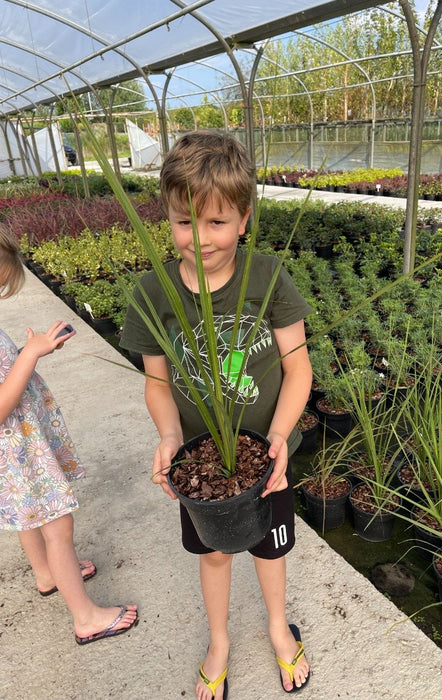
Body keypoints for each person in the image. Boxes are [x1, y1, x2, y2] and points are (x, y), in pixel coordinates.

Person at [120, 130, 312, 699]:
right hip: (199, 463)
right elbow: (157, 383)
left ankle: (279, 629)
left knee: (271, 548)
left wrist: (278, 438)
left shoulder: (267, 278)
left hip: (265, 455)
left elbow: (298, 369)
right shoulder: (151, 292)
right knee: (213, 553)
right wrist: (169, 435)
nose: (199, 239)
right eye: (184, 222)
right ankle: (220, 640)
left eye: (217, 223)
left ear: (244, 220)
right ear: (168, 218)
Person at [0, 225, 138, 645]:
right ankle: (87, 617)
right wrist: (30, 354)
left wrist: (35, 349)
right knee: (58, 525)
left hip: (19, 452)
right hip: (17, 452)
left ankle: (47, 574)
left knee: (32, 519)